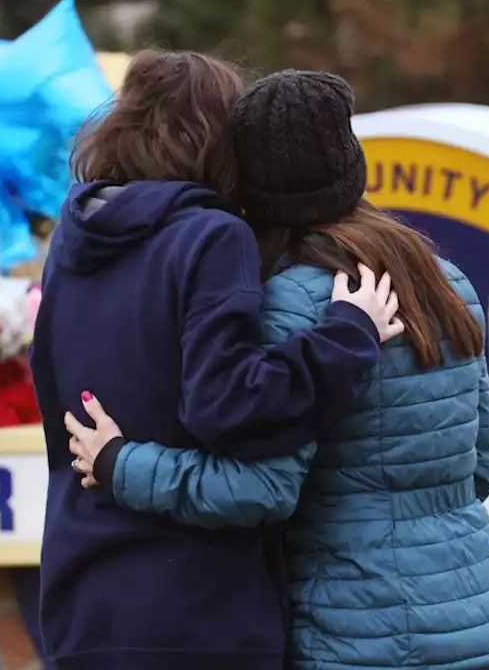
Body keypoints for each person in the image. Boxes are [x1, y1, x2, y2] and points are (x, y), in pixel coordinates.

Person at [66, 71, 489, 669]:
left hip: (361, 640)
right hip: (479, 627)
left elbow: (259, 490)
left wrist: (123, 463)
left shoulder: (295, 302)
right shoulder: (446, 282)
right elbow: (482, 465)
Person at [31, 52, 405, 670]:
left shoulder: (72, 240)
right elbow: (231, 406)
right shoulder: (210, 235)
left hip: (82, 599)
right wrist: (348, 333)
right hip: (198, 609)